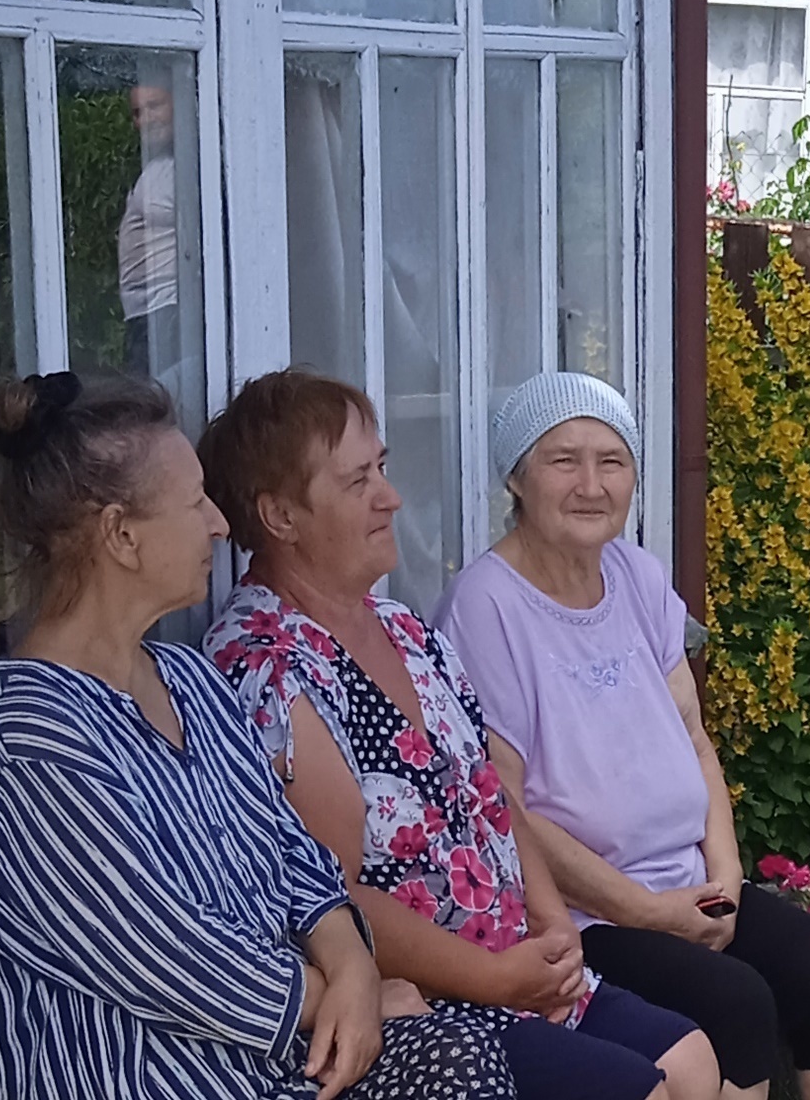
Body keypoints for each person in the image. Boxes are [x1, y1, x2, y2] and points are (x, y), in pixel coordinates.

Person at [0, 371, 517, 1100]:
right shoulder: (30, 741)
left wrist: (351, 963)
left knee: (455, 1053)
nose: (220, 524)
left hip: (279, 1071)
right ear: (122, 535)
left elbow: (295, 854)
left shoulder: (187, 678)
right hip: (157, 1084)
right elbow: (170, 958)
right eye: (195, 504)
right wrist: (345, 998)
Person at [199, 369, 720, 1100]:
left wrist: (551, 928)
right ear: (280, 515)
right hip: (424, 1002)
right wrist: (498, 976)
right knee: (641, 1088)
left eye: (381, 468)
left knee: (694, 1059)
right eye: (359, 483)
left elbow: (492, 794)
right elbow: (328, 894)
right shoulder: (266, 664)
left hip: (513, 963)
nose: (392, 496)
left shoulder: (403, 628)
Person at [435, 372, 810, 1100]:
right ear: (516, 478)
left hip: (689, 883)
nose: (591, 484)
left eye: (612, 462)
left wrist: (726, 881)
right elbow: (505, 809)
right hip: (587, 912)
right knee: (735, 1003)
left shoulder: (636, 575)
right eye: (562, 460)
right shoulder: (485, 607)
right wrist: (646, 913)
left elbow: (694, 740)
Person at [118, 80, 180, 379]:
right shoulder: (158, 165)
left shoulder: (184, 166)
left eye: (154, 106)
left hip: (168, 311)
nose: (144, 120)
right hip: (149, 313)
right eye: (137, 112)